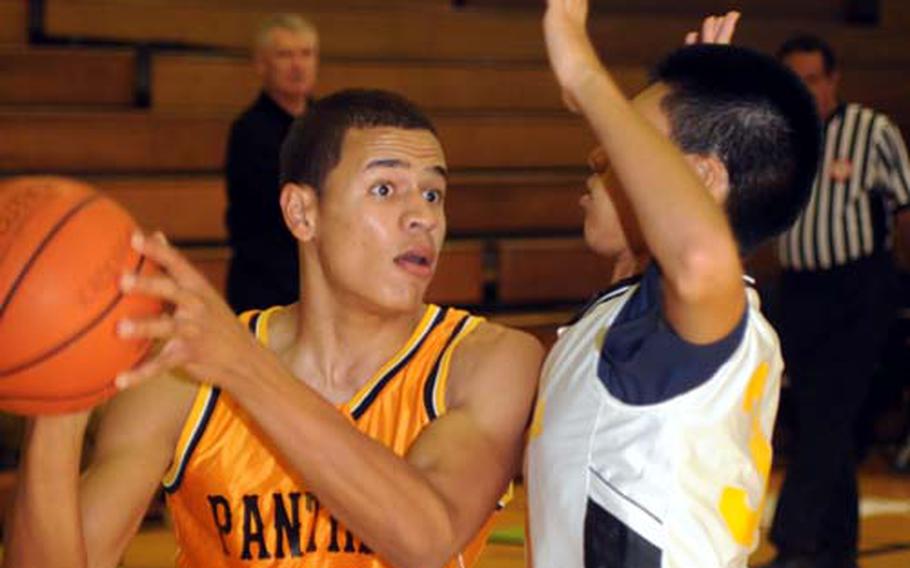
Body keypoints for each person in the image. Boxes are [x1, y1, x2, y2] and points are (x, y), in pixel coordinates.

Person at [3, 90, 543, 568]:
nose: (422, 216)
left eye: (433, 194)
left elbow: (426, 539)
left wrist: (244, 366)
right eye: (385, 189)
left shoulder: (486, 362)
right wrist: (58, 392)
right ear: (302, 213)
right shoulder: (181, 380)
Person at [526, 2, 821, 567]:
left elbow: (698, 251)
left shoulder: (692, 311)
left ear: (703, 180)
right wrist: (700, 88)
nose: (599, 151)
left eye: (634, 141)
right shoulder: (636, 314)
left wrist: (584, 71)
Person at [762, 34, 910, 568]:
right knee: (822, 418)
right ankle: (837, 548)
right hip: (799, 292)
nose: (802, 91)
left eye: (811, 80)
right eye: (791, 81)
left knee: (828, 412)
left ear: (833, 80)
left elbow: (905, 208)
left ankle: (794, 542)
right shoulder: (779, 139)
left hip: (859, 290)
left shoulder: (872, 131)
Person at [225, 14, 319, 313]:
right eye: (285, 55)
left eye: (306, 54)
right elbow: (265, 218)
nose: (297, 65)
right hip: (267, 284)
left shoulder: (330, 124)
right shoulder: (249, 131)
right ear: (261, 65)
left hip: (317, 279)